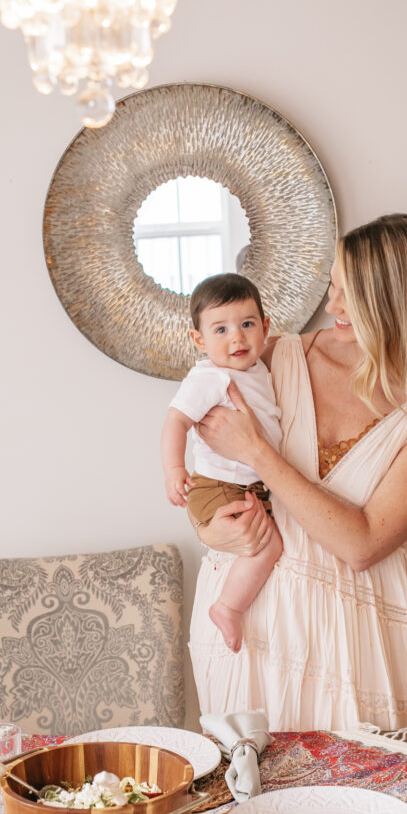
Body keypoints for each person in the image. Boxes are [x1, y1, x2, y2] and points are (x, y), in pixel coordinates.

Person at [187, 214, 407, 814]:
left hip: (366, 638)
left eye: (353, 292)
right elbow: (210, 476)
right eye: (333, 285)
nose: (333, 306)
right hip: (253, 626)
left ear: (399, 299)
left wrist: (261, 455)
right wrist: (214, 528)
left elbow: (362, 543)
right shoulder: (278, 357)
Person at [161, 273, 283, 652]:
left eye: (247, 324)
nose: (237, 338)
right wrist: (174, 470)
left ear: (265, 327)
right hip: (217, 485)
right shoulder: (210, 378)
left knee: (271, 543)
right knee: (269, 545)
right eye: (221, 329)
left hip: (250, 484)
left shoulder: (259, 369)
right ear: (199, 340)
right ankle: (227, 608)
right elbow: (175, 422)